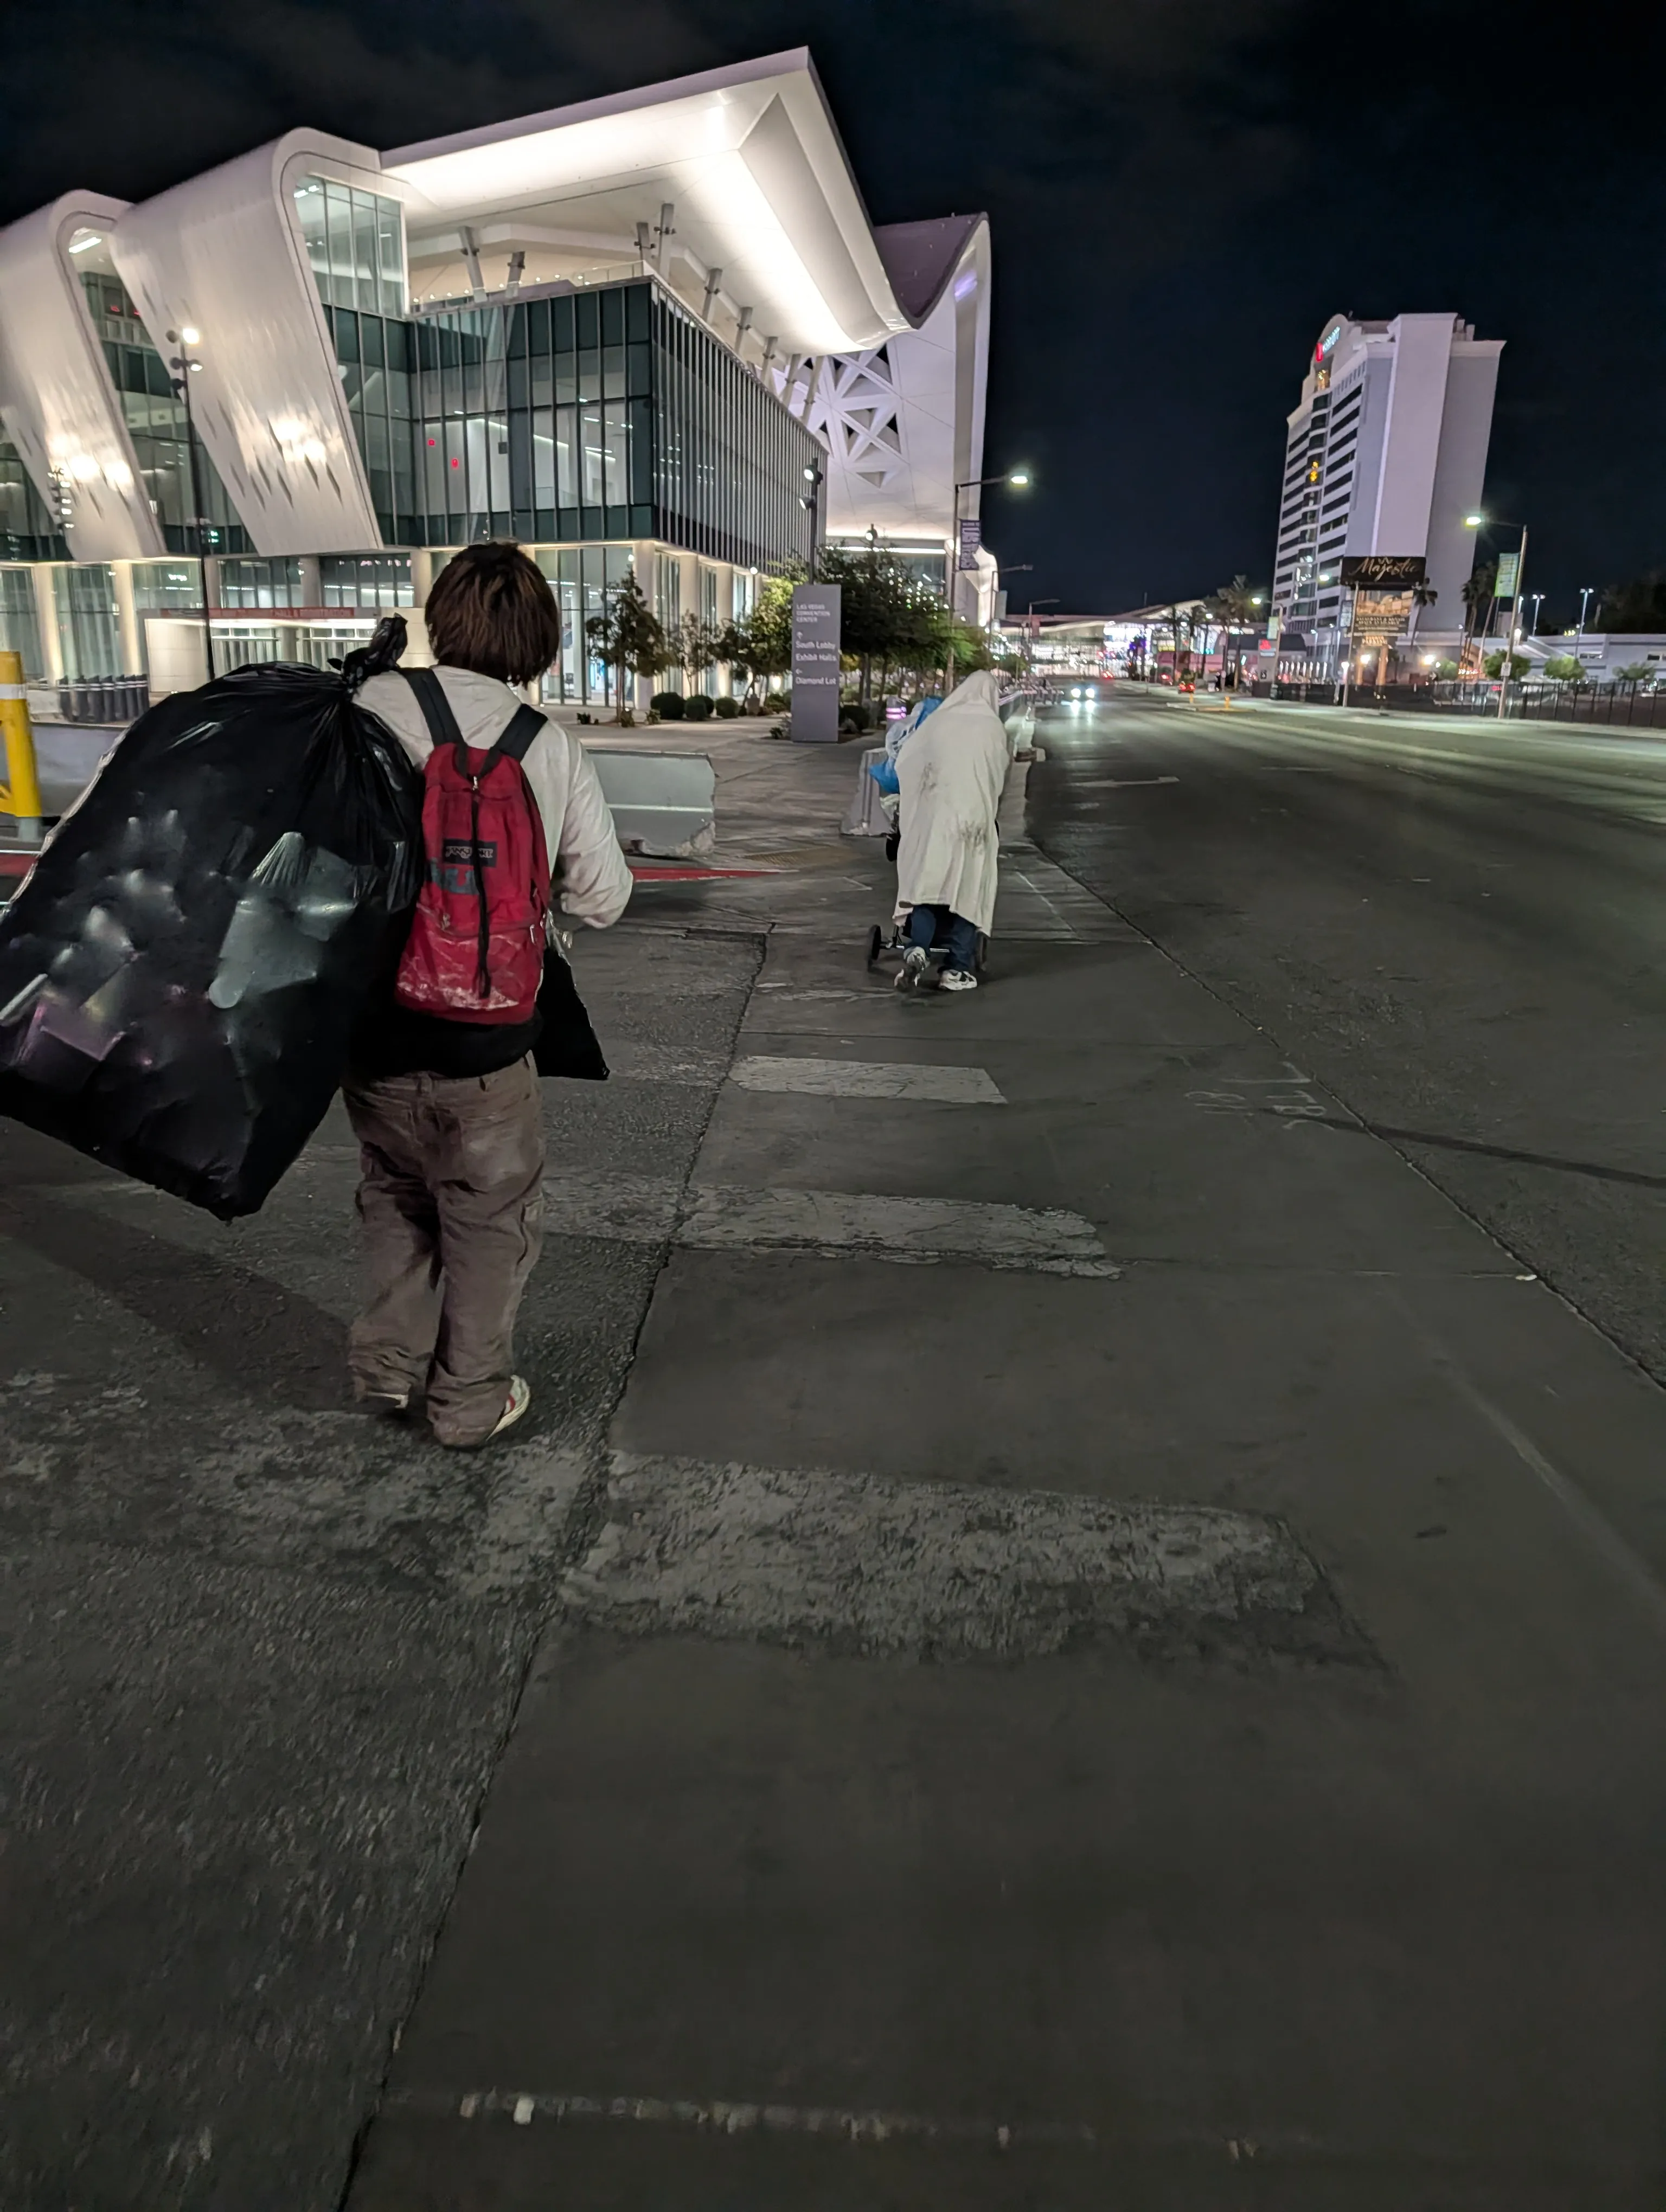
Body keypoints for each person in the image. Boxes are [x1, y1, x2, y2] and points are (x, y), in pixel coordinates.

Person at [347, 542, 631, 1447]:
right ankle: (469, 1401)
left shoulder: (367, 706)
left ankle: (387, 1367)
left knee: (394, 1188)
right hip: (488, 1039)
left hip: (372, 1028)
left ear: (442, 620)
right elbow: (604, 896)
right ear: (539, 639)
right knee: (489, 1218)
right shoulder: (546, 745)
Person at [892, 668, 1011, 993]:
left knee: (927, 889)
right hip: (973, 825)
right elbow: (998, 778)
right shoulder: (993, 728)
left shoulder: (938, 721)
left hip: (933, 821)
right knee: (968, 894)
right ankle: (956, 970)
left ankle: (917, 950)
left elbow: (906, 761)